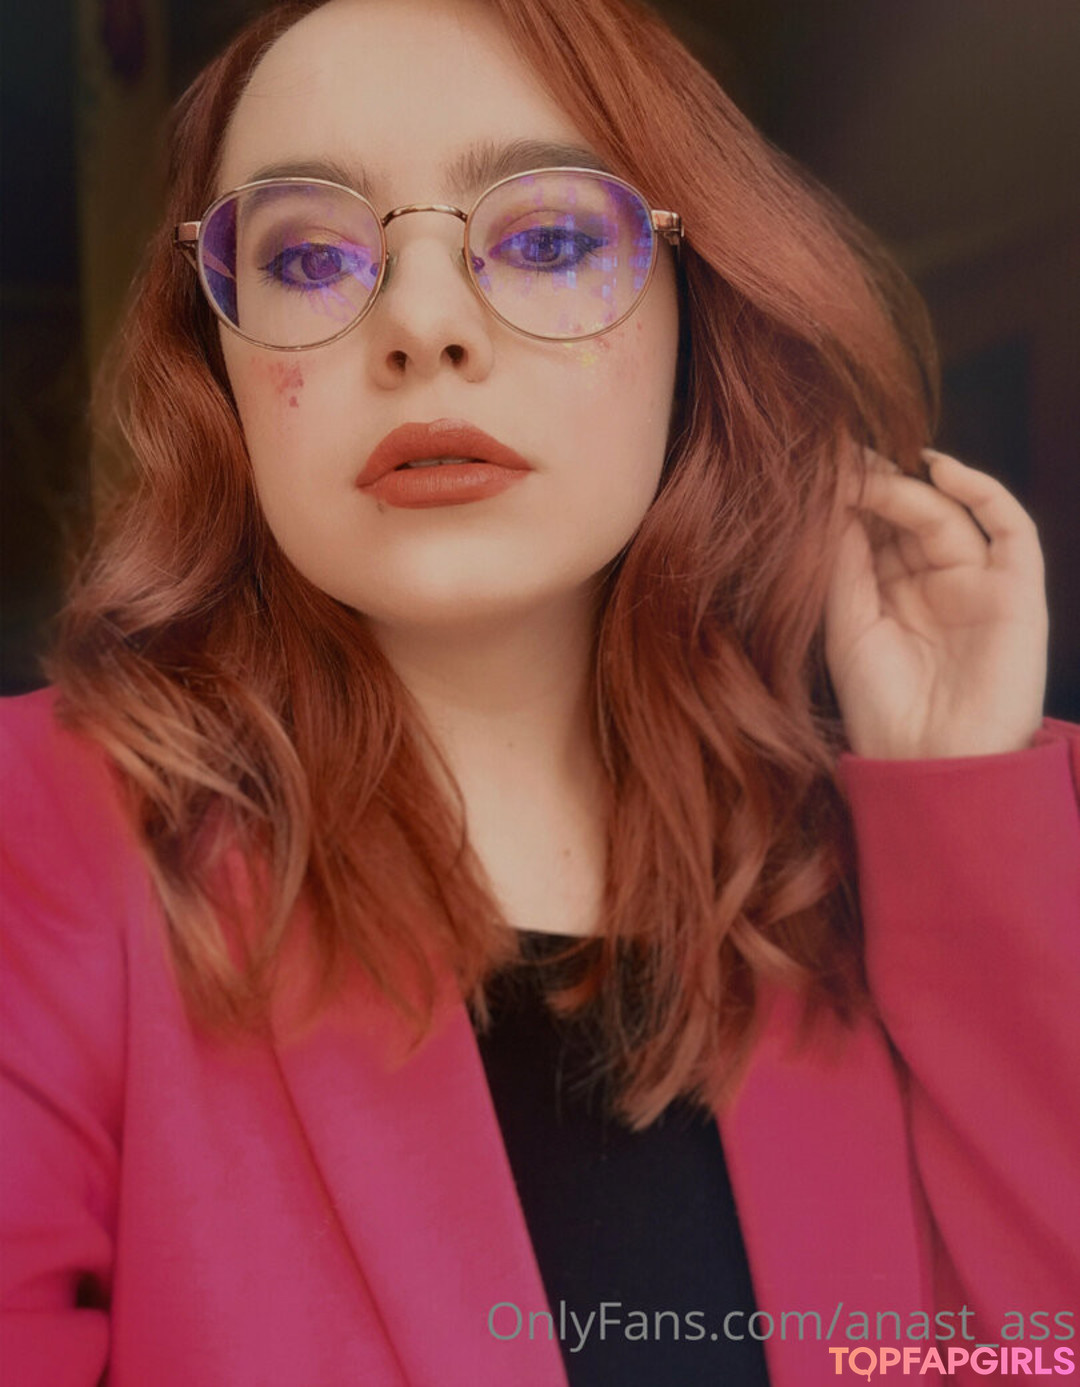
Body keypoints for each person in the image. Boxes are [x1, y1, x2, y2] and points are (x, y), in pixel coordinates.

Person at [2, 0, 1077, 1384]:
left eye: (552, 240)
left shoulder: (892, 859)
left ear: (699, 309)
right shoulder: (45, 833)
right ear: (217, 362)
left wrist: (957, 808)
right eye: (310, 256)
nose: (424, 327)